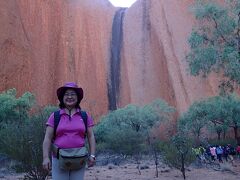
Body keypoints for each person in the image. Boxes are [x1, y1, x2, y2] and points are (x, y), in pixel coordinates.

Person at [42, 82, 96, 180]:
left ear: (78, 97)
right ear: (62, 98)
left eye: (72, 94)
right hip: (59, 159)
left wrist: (92, 155)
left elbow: (91, 136)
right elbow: (47, 138)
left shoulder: (84, 116)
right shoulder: (55, 116)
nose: (69, 97)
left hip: (79, 159)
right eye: (66, 94)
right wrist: (46, 158)